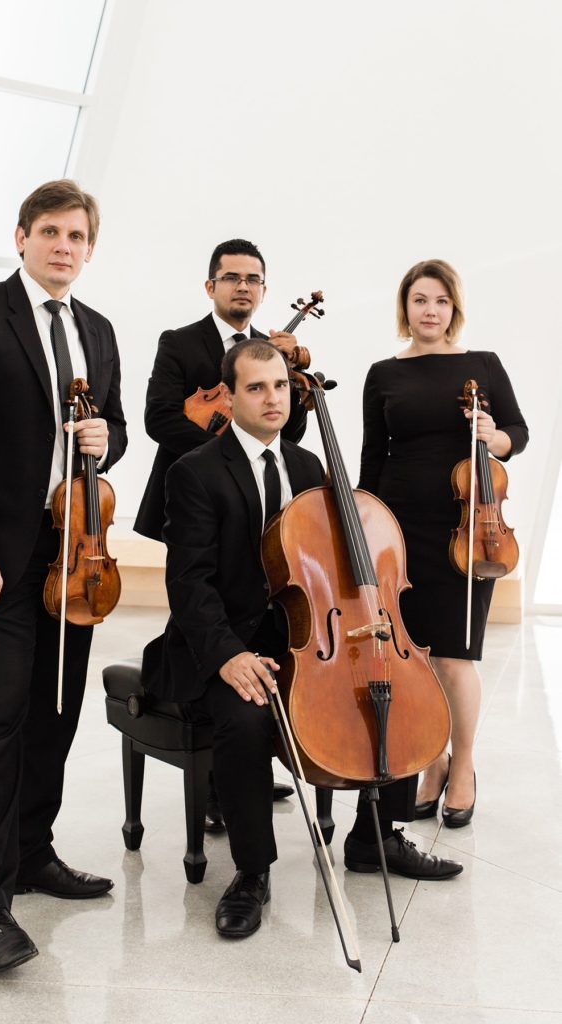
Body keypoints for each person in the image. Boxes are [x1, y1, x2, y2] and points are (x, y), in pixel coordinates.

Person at [143, 339, 463, 940]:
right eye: (256, 387)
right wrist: (229, 656)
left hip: (312, 635)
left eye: (281, 387)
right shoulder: (194, 473)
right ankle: (252, 872)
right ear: (229, 396)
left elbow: (331, 566)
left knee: (386, 686)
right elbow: (189, 584)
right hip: (229, 641)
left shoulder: (310, 467)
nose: (273, 398)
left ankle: (375, 838)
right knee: (245, 718)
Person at [0, 180, 127, 972]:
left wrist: (106, 440)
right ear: (21, 238)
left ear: (89, 248)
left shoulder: (98, 330)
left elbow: (113, 432)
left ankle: (33, 851)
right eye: (50, 231)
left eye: (76, 236)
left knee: (55, 712)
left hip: (72, 556)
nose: (63, 246)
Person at [135, 237, 306, 823]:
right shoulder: (180, 342)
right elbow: (160, 417)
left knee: (255, 595)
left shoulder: (271, 354)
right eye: (231, 277)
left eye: (253, 279)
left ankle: (244, 766)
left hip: (261, 493)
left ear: (264, 289)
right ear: (211, 286)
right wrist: (225, 454)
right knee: (204, 596)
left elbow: (289, 431)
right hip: (196, 492)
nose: (242, 287)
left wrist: (289, 383)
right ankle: (220, 780)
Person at [359, 259, 528, 829]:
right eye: (419, 300)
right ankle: (432, 764)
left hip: (468, 529)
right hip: (399, 529)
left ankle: (464, 765)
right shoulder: (383, 373)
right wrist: (364, 522)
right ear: (405, 308)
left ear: (454, 308)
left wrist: (495, 437)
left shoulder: (483, 365)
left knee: (455, 658)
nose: (430, 311)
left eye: (440, 301)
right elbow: (372, 455)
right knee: (413, 657)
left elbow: (519, 433)